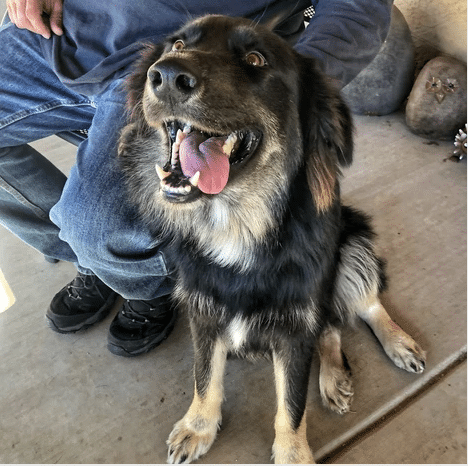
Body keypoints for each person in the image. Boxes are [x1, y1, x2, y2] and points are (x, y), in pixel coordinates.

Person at [0, 0, 393, 357]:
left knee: (98, 228)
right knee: (91, 238)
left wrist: (294, 83)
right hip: (61, 31)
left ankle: (143, 283)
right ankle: (100, 264)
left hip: (204, 57)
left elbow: (360, 6)